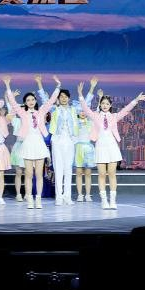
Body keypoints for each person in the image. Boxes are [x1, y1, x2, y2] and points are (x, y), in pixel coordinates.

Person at [88, 88, 145, 209]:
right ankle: (104, 201)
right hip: (100, 147)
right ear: (100, 104)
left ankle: (112, 201)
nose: (105, 105)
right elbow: (85, 109)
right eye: (103, 103)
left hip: (112, 147)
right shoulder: (96, 116)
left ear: (110, 105)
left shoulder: (114, 116)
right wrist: (80, 95)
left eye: (107, 104)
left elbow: (126, 110)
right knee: (101, 174)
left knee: (111, 174)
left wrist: (136, 100)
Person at [4, 76, 58, 209]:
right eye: (28, 100)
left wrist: (58, 86)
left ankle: (38, 199)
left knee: (39, 174)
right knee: (28, 174)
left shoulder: (41, 112)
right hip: (27, 143)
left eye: (32, 99)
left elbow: (50, 101)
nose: (31, 102)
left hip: (39, 143)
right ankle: (29, 199)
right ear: (25, 102)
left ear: (35, 101)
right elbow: (12, 102)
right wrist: (8, 86)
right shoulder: (22, 113)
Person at [41, 76, 96, 204]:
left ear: (69, 98)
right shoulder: (54, 109)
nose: (63, 98)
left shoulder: (73, 110)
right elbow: (45, 100)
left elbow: (86, 104)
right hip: (57, 141)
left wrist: (91, 88)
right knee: (58, 169)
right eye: (61, 96)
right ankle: (59, 197)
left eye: (66, 96)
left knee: (68, 169)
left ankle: (67, 196)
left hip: (70, 141)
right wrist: (52, 86)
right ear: (58, 99)